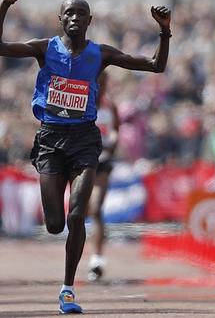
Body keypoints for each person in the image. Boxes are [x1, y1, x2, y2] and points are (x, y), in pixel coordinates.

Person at [0, 0, 171, 314]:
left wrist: (164, 31)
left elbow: (155, 66)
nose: (74, 17)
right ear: (60, 19)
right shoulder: (44, 48)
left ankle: (68, 290)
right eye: (68, 13)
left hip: (85, 140)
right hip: (50, 141)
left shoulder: (102, 54)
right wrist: (5, 4)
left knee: (77, 215)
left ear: (89, 20)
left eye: (80, 13)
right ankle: (65, 260)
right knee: (55, 223)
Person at [86, 71, 120, 282]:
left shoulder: (110, 107)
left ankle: (97, 259)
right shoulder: (81, 105)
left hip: (102, 163)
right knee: (80, 210)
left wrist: (113, 141)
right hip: (82, 162)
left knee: (97, 209)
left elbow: (116, 131)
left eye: (104, 83)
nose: (101, 86)